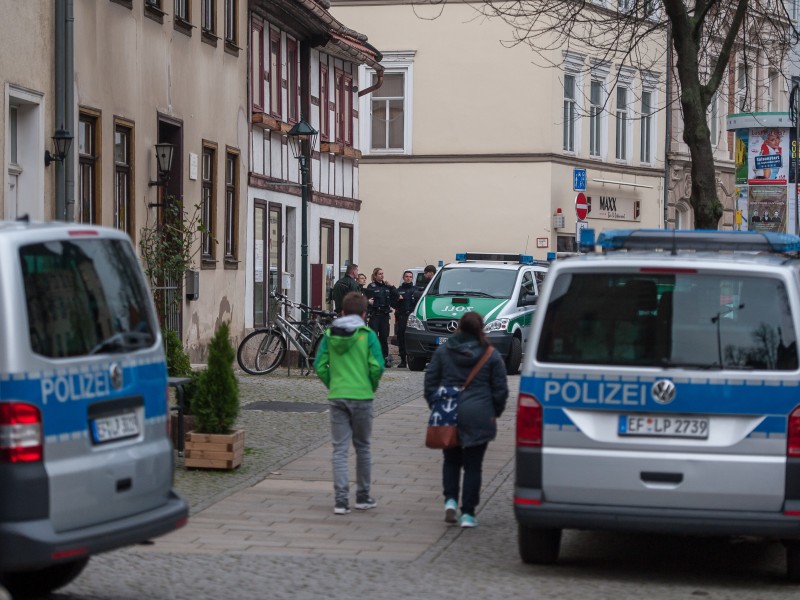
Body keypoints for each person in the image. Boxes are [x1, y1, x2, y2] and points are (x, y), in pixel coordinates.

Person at [424, 312, 508, 528]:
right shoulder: (491, 354)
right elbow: (500, 390)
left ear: (459, 327)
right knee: (473, 466)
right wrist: (493, 411)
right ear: (481, 329)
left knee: (451, 460)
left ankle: (450, 500)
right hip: (479, 413)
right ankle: (468, 513)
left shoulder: (444, 350)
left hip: (448, 410)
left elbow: (430, 381)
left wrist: (437, 404)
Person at [314, 292, 385, 515]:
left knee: (340, 449)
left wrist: (332, 383)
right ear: (364, 314)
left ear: (342, 312)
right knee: (363, 447)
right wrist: (369, 386)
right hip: (362, 396)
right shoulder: (368, 335)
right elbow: (377, 367)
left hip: (338, 396)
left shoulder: (329, 335)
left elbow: (319, 364)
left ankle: (341, 500)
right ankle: (363, 497)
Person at [364, 267, 399, 367]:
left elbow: (397, 296)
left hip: (384, 316)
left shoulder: (387, 287)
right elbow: (367, 301)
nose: (382, 275)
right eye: (379, 274)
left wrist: (392, 286)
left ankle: (384, 359)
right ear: (375, 276)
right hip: (375, 316)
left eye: (382, 274)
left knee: (384, 338)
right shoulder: (371, 286)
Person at [394, 270, 418, 369]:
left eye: (410, 276)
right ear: (403, 278)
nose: (408, 278)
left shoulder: (416, 290)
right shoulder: (398, 290)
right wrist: (396, 299)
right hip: (402, 317)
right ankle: (403, 360)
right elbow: (393, 304)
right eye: (406, 276)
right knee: (402, 338)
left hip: (412, 317)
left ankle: (414, 360)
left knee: (414, 338)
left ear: (412, 278)